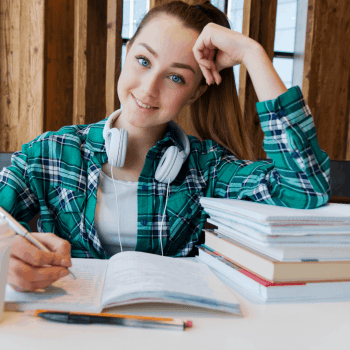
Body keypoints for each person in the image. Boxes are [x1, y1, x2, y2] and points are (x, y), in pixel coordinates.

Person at [0, 1, 331, 292]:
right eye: (143, 61)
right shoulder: (49, 155)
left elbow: (305, 187)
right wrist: (8, 251)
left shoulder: (208, 169)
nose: (148, 88)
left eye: (176, 78)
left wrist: (253, 55)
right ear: (127, 53)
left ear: (196, 92)